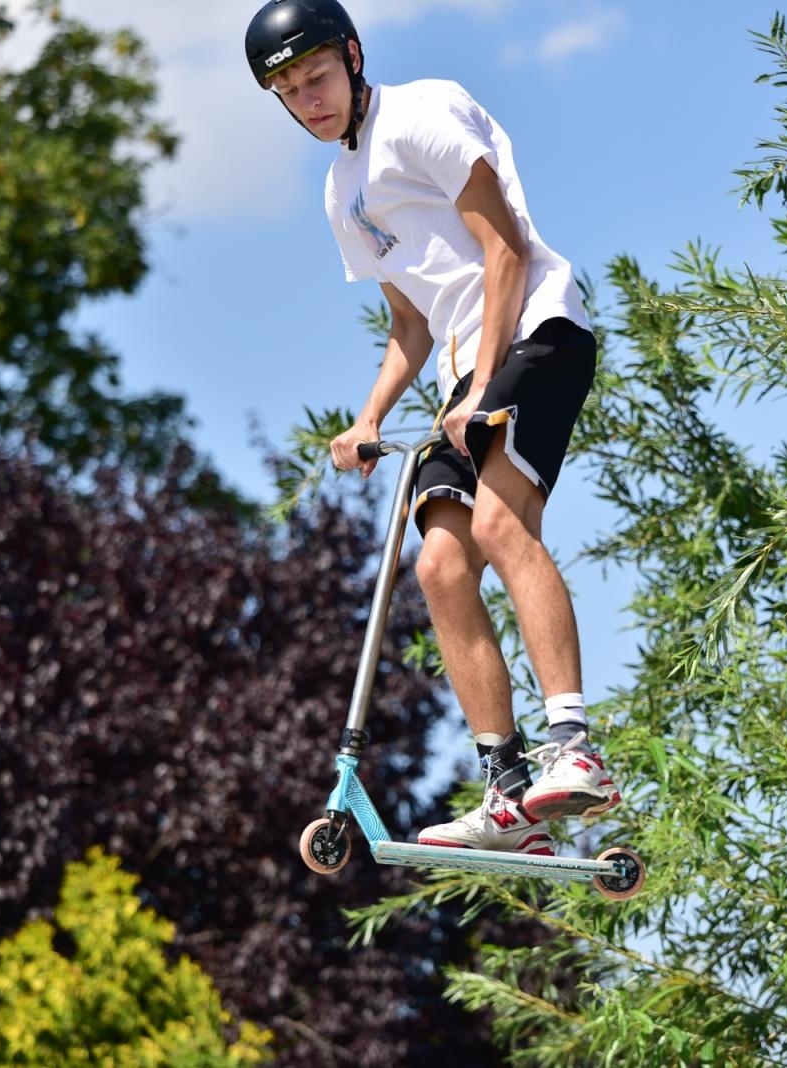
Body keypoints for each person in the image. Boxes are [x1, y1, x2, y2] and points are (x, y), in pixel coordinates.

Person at [245, 0, 621, 855]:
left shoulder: (422, 113)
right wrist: (368, 416)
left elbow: (507, 252)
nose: (309, 99)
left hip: (537, 335)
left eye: (317, 77)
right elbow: (411, 324)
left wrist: (484, 382)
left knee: (498, 521)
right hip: (467, 376)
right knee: (442, 564)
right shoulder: (343, 191)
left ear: (351, 55)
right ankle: (510, 792)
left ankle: (576, 748)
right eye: (289, 91)